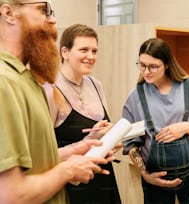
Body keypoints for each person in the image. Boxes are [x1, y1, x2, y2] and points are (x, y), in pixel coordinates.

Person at [0, 1, 116, 203]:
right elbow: (10, 195)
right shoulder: (4, 83)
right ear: (9, 13)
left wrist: (79, 147)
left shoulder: (27, 80)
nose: (52, 19)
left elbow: (38, 162)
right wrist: (68, 171)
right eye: (42, 10)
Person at [122, 37, 189, 204]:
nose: (146, 72)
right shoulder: (136, 97)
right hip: (154, 181)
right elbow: (130, 143)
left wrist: (186, 127)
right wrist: (145, 175)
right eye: (142, 65)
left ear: (166, 64)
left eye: (153, 66)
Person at [44, 24, 122, 204]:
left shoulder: (96, 85)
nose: (91, 56)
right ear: (65, 52)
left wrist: (110, 136)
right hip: (72, 186)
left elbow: (102, 132)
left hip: (103, 178)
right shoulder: (51, 90)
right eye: (84, 50)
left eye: (94, 51)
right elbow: (44, 153)